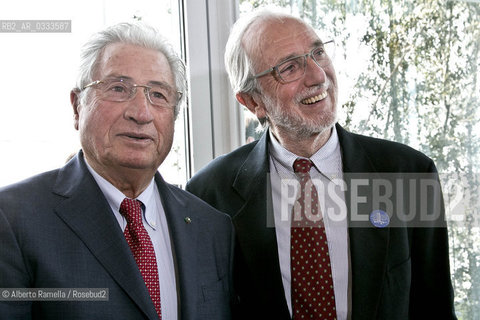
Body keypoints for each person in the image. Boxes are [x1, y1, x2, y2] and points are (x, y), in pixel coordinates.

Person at [186, 9, 456, 320]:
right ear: (252, 102)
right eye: (289, 68)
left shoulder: (408, 172)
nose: (317, 76)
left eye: (318, 53)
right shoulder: (209, 194)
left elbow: (435, 308)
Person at [0, 22, 234, 320]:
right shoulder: (13, 220)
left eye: (158, 95)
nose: (141, 113)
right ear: (77, 107)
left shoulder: (212, 227)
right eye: (118, 89)